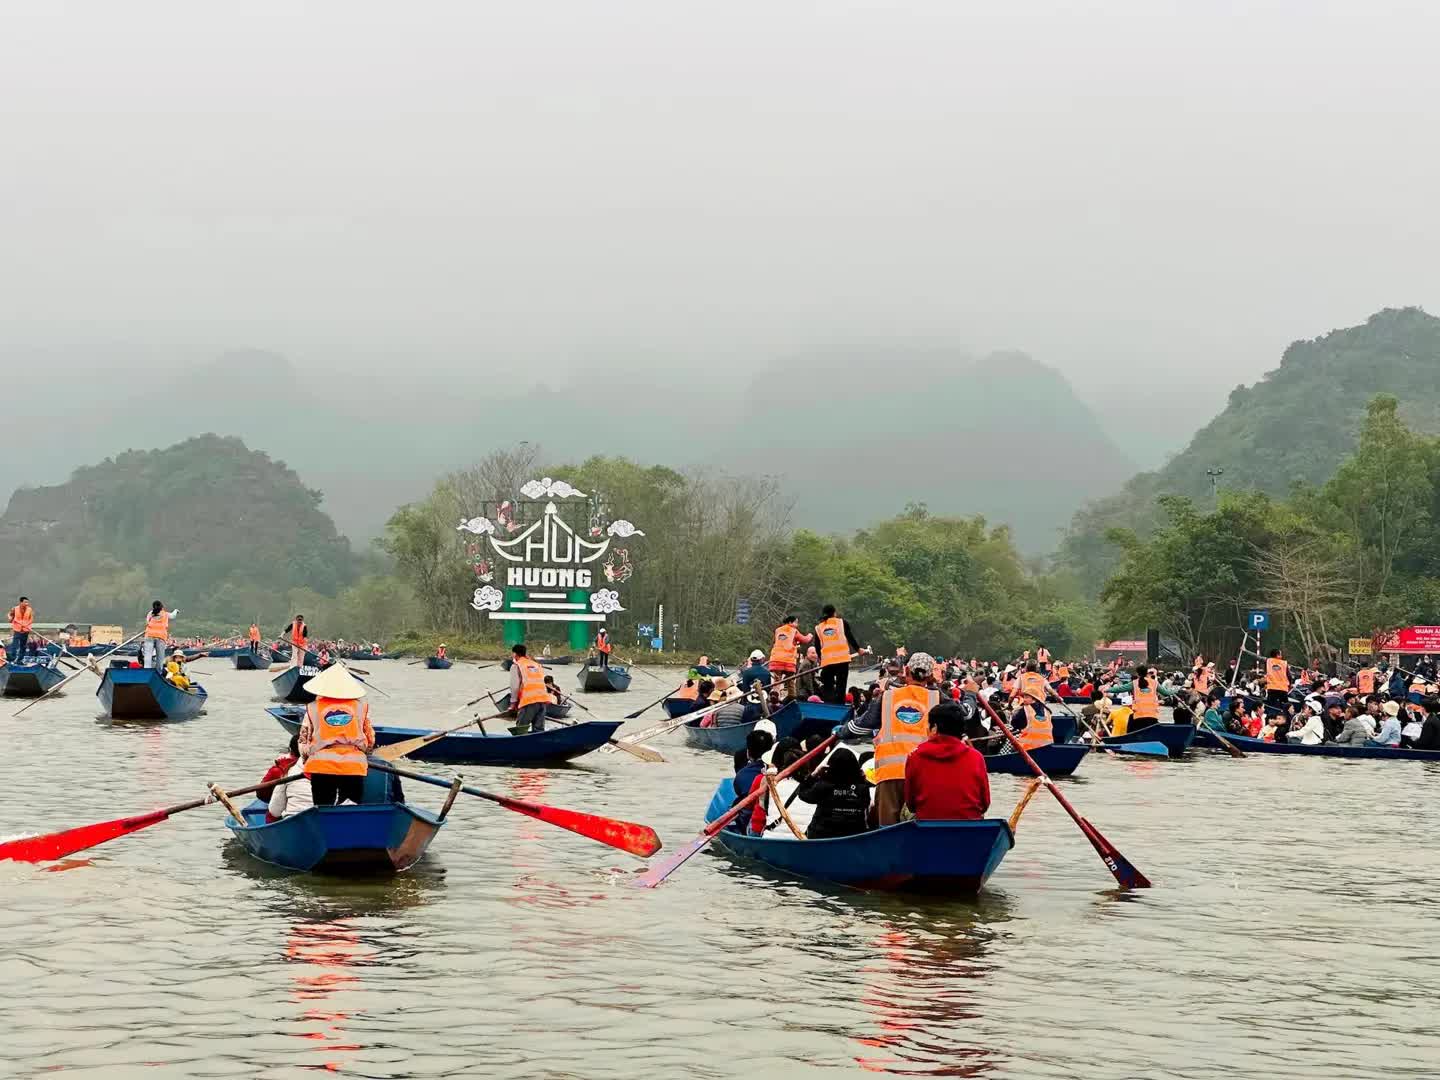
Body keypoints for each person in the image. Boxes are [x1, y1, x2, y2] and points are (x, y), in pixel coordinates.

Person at [846, 652, 938, 827]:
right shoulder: (938, 698)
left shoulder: (887, 696)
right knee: (920, 827)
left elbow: (861, 726)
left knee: (887, 828)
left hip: (891, 773)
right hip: (924, 776)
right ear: (930, 676)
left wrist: (841, 731)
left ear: (906, 670)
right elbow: (964, 714)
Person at [297, 663, 375, 806]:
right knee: (350, 810)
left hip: (321, 766)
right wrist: (365, 753)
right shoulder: (361, 706)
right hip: (353, 766)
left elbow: (303, 740)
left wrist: (305, 759)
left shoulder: (313, 707)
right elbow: (370, 739)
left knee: (323, 809)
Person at [904, 701, 991, 821]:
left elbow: (911, 804)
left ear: (934, 728)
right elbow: (985, 804)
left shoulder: (915, 756)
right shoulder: (976, 757)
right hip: (969, 828)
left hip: (927, 827)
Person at [795, 747, 872, 839]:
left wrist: (814, 774)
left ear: (830, 766)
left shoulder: (823, 786)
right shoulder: (862, 789)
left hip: (822, 837)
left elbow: (803, 794)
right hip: (853, 838)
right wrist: (862, 779)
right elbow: (866, 804)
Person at [814, 605, 859, 705]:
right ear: (834, 613)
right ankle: (839, 706)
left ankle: (829, 706)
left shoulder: (819, 627)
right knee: (841, 686)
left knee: (828, 686)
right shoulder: (841, 622)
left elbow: (817, 647)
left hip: (827, 662)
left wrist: (821, 659)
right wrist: (859, 650)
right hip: (842, 660)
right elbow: (850, 638)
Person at [509, 645, 551, 733]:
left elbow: (515, 686)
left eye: (512, 654)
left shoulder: (516, 665)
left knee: (521, 730)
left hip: (529, 700)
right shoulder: (536, 664)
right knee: (539, 731)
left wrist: (513, 703)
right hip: (543, 700)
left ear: (515, 654)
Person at [768, 615, 812, 699]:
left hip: (776, 659)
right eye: (796, 622)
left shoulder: (778, 630)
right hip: (788, 661)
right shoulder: (794, 631)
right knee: (790, 681)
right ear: (790, 622)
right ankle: (792, 698)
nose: (797, 624)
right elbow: (805, 640)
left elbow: (776, 642)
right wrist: (810, 635)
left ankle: (775, 697)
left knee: (777, 681)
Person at [259, 734, 301, 821]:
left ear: (290, 750)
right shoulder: (321, 768)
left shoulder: (281, 770)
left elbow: (261, 793)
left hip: (284, 814)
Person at [142, 600, 175, 670]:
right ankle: (158, 673)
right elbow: (173, 616)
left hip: (149, 635)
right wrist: (176, 611)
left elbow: (147, 623)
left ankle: (146, 671)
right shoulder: (165, 614)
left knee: (147, 656)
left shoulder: (150, 613)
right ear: (162, 607)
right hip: (161, 637)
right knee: (160, 658)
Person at [1130, 667, 1161, 731]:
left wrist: (1108, 689)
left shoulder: (1134, 683)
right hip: (1152, 715)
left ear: (1137, 674)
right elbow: (1166, 692)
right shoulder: (1154, 683)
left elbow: (1119, 689)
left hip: (1139, 715)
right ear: (1147, 673)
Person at [6, 595, 34, 665]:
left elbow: (31, 619)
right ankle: (12, 658)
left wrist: (27, 625)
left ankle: (19, 660)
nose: (27, 604)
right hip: (17, 629)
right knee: (15, 644)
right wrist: (10, 619)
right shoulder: (15, 609)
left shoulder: (29, 609)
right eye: (25, 602)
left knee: (23, 646)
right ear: (21, 602)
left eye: (27, 602)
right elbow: (10, 615)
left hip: (25, 630)